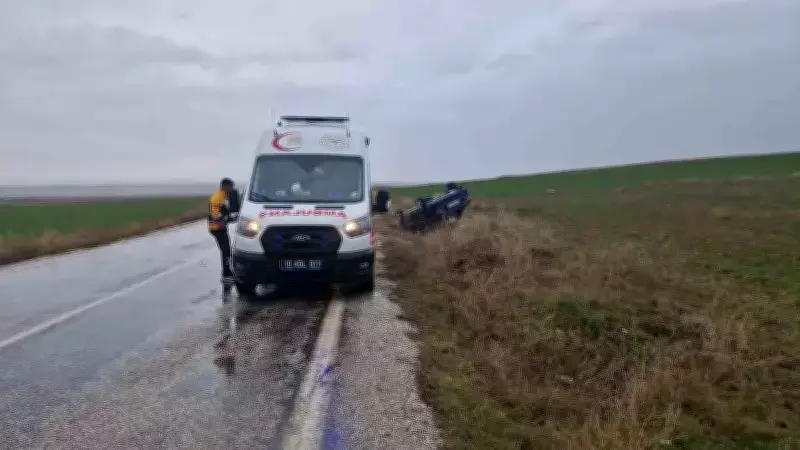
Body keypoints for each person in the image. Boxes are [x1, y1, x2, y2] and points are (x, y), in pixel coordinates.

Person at [208, 178, 236, 284]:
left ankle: (228, 272)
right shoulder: (217, 197)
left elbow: (225, 210)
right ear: (224, 186)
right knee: (226, 251)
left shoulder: (223, 195)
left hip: (221, 227)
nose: (231, 189)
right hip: (216, 228)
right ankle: (226, 275)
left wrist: (229, 217)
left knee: (227, 250)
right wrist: (225, 219)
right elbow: (215, 213)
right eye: (230, 187)